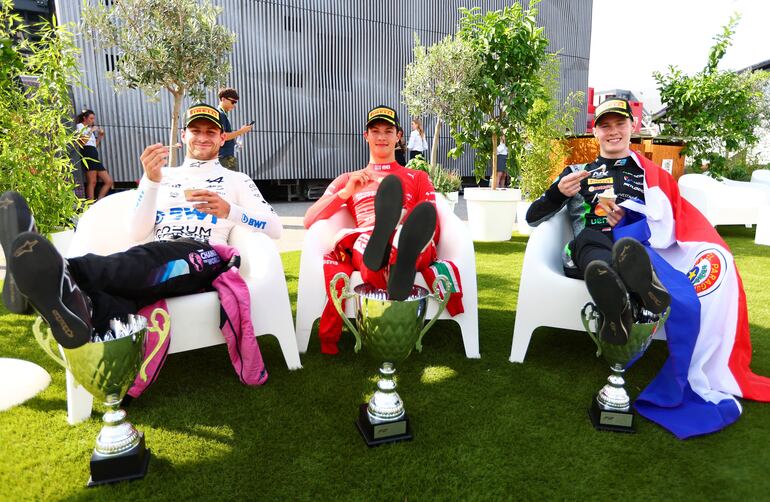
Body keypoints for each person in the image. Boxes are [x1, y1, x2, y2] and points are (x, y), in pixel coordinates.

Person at [526, 97, 770, 438]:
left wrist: (632, 217)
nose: (613, 131)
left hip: (641, 248)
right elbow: (532, 218)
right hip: (592, 250)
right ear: (594, 132)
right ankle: (625, 289)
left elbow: (671, 219)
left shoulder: (647, 174)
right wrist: (556, 194)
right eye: (605, 125)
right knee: (589, 243)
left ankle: (629, 287)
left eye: (619, 124)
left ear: (632, 128)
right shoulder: (575, 174)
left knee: (628, 248)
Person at [3, 104, 281, 372]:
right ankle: (82, 308)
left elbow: (274, 227)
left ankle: (58, 271)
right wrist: (150, 181)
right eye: (196, 131)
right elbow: (136, 232)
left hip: (204, 256)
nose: (203, 137)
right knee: (131, 278)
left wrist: (230, 211)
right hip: (157, 256)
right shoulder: (162, 176)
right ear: (184, 136)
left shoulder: (237, 180)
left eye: (211, 132)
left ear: (222, 139)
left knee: (152, 258)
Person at [303, 105, 463, 355]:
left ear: (399, 136)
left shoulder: (417, 176)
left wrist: (408, 232)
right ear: (365, 136)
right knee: (367, 244)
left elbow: (433, 224)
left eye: (388, 131)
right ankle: (388, 244)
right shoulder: (349, 178)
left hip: (411, 239)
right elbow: (309, 218)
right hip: (367, 242)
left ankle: (398, 241)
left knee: (407, 235)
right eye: (375, 131)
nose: (381, 137)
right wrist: (346, 193)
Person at [75, 109, 114, 201]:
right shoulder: (79, 126)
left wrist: (100, 136)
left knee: (108, 181)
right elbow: (82, 142)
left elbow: (94, 145)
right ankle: (90, 204)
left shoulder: (89, 129)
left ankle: (99, 200)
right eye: (91, 118)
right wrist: (91, 131)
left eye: (93, 119)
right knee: (92, 182)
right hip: (87, 153)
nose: (93, 121)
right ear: (85, 118)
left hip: (93, 153)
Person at [217, 88, 253, 171]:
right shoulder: (220, 114)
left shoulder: (223, 114)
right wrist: (241, 131)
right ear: (223, 99)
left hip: (224, 156)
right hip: (224, 157)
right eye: (233, 102)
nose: (234, 105)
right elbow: (223, 136)